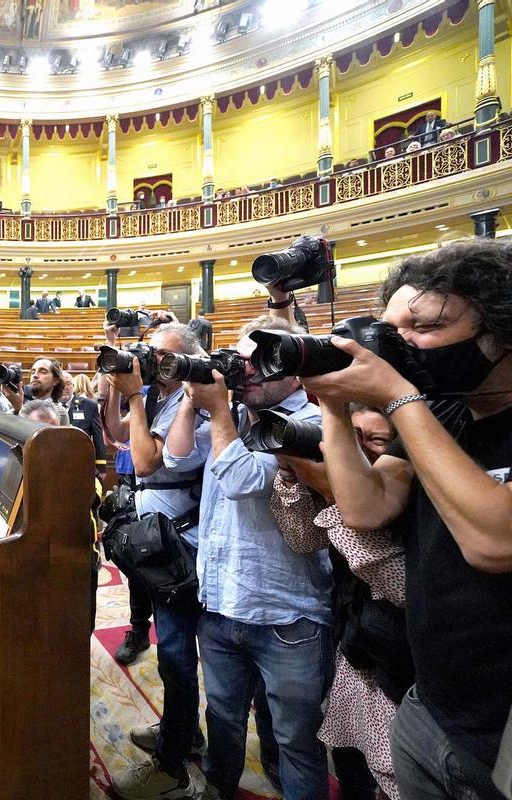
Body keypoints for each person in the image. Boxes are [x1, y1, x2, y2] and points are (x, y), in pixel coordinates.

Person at [302, 238, 512, 800]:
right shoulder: (442, 407)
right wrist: (333, 406)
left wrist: (399, 398)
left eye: (421, 326)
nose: (401, 344)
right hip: (430, 705)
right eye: (391, 328)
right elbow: (366, 507)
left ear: (508, 328)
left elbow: (500, 539)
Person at [165, 314, 333, 800]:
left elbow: (240, 481)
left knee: (296, 740)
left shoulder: (311, 423)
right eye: (243, 363)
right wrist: (194, 395)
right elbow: (175, 458)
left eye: (265, 362)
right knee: (223, 723)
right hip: (219, 605)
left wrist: (217, 412)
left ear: (296, 369)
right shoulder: (233, 416)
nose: (252, 373)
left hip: (287, 614)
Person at [269, 404, 408, 800]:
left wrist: (336, 491)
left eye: (376, 440)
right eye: (352, 437)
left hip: (404, 668)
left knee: (397, 777)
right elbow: (302, 539)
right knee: (350, 759)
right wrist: (290, 474)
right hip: (356, 645)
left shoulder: (411, 498)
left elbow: (399, 586)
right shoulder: (338, 480)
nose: (359, 450)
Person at [103, 322, 212, 800]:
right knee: (172, 652)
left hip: (180, 546)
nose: (152, 362)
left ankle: (173, 757)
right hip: (156, 541)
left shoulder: (196, 405)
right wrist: (116, 386)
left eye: (161, 356)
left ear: (185, 359)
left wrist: (134, 396)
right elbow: (116, 434)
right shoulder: (164, 397)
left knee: (175, 654)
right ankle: (181, 731)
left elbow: (145, 462)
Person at [61, 371, 106, 474]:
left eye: (68, 384)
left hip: (81, 463)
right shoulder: (48, 406)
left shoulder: (88, 405)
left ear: (73, 386)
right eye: (61, 384)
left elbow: (98, 437)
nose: (65, 387)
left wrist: (101, 467)